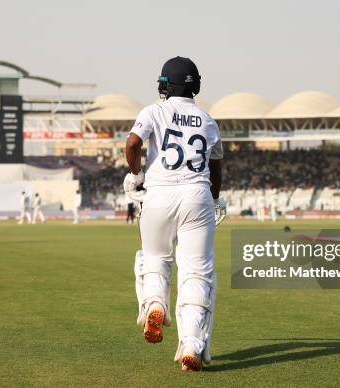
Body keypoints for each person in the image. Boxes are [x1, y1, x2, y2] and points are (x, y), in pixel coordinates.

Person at [125, 56, 225, 372]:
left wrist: (136, 172)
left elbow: (132, 143)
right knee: (196, 271)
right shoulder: (208, 120)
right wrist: (215, 199)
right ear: (195, 86)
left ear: (165, 84)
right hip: (197, 195)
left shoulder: (154, 110)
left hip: (159, 195)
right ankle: (192, 344)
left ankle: (155, 303)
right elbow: (216, 167)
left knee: (155, 259)